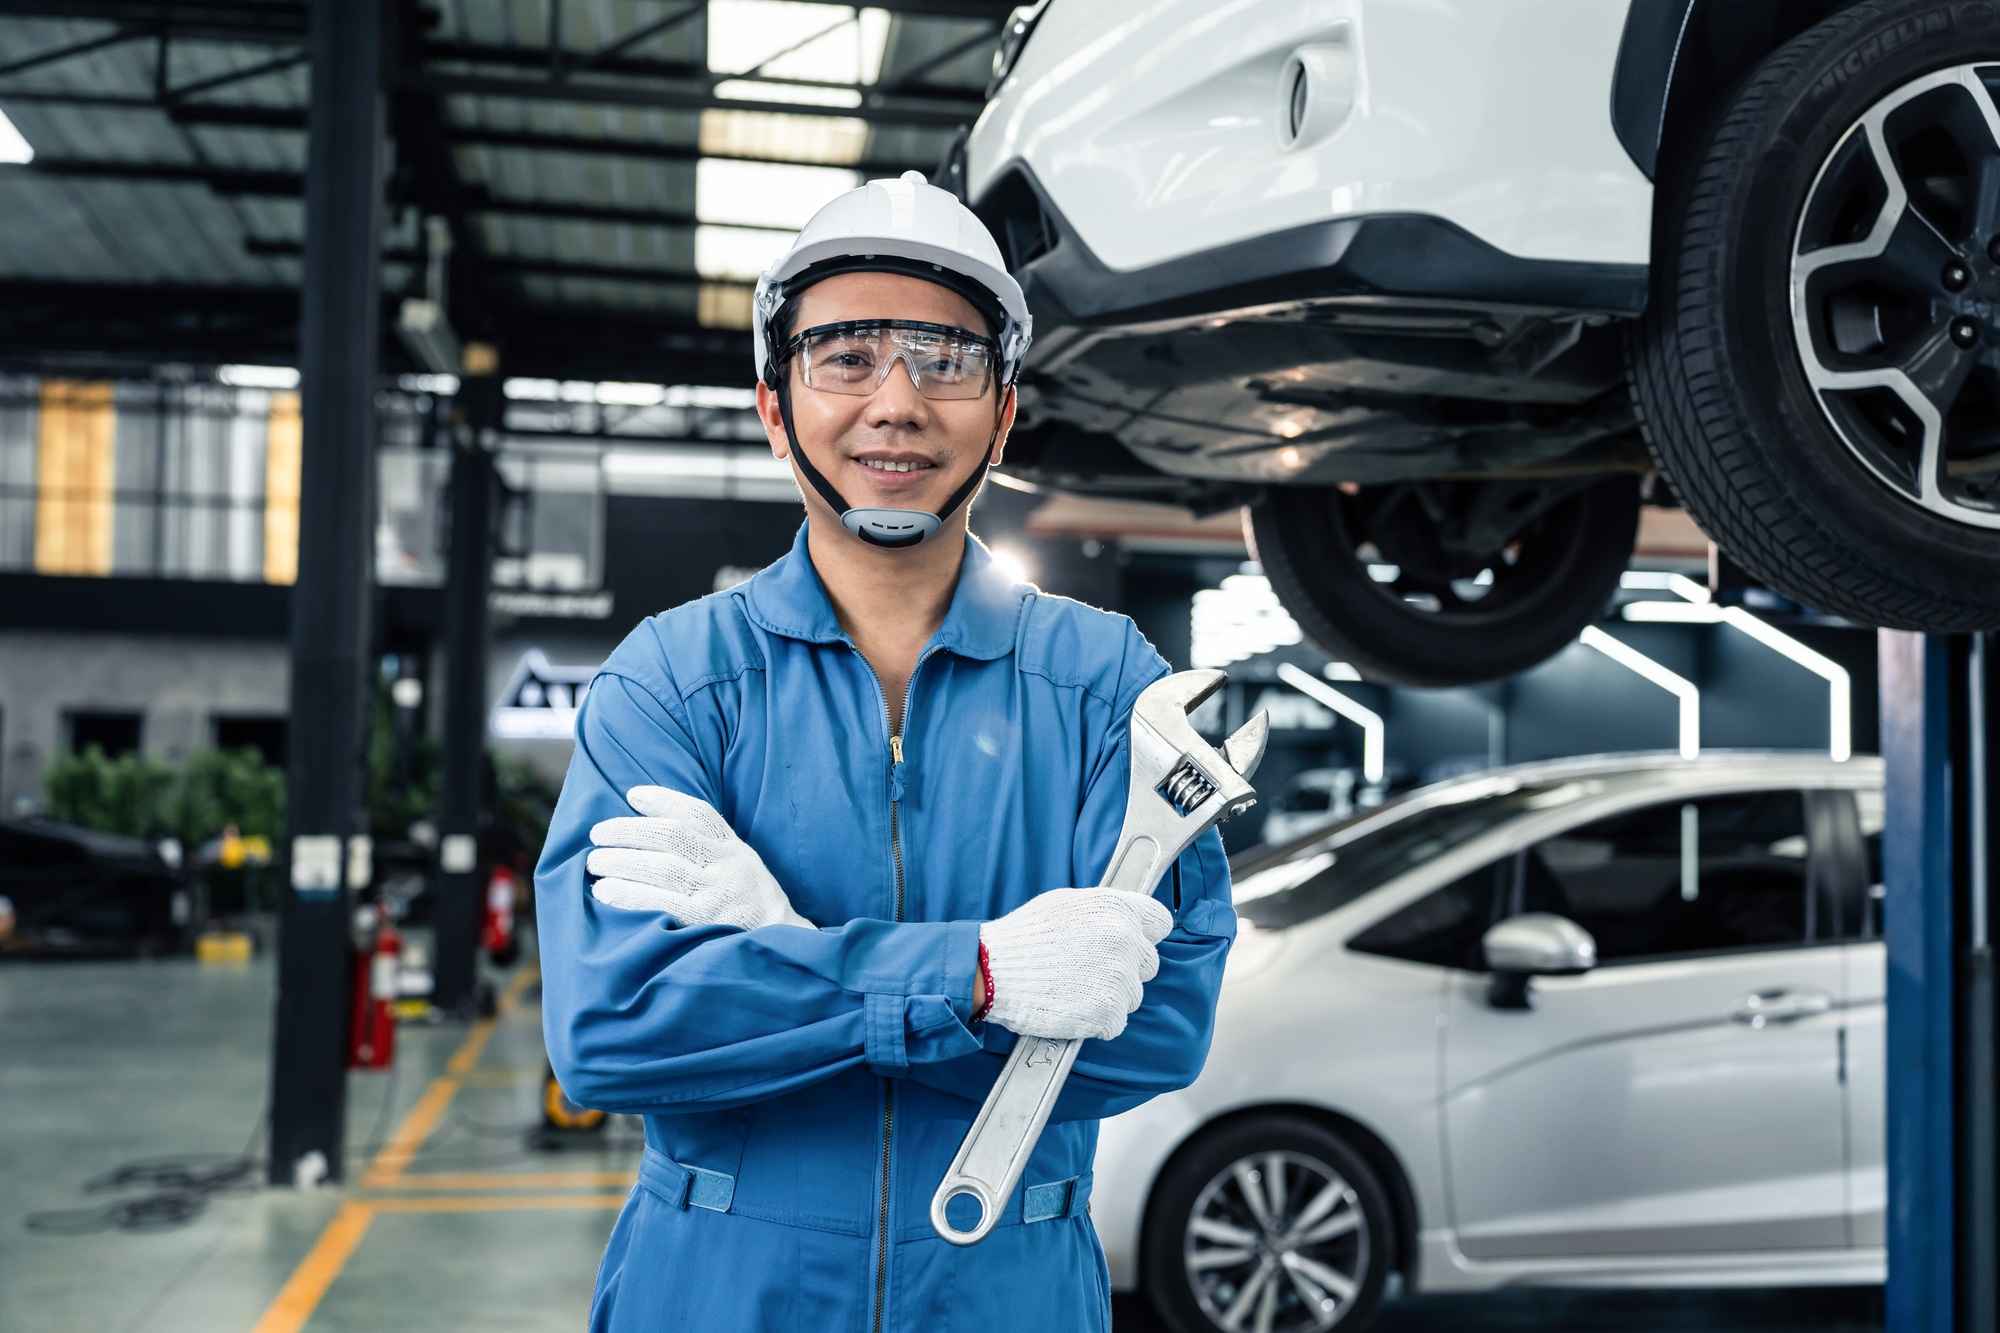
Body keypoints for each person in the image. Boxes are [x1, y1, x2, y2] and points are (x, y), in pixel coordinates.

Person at [536, 171, 1235, 1332]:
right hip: (716, 1292)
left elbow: (1156, 1027)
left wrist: (782, 961)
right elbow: (613, 1033)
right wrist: (979, 977)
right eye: (845, 356)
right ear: (774, 408)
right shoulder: (671, 682)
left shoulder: (1109, 688)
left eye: (946, 358)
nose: (896, 401)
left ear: (1003, 414)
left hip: (1006, 1294)